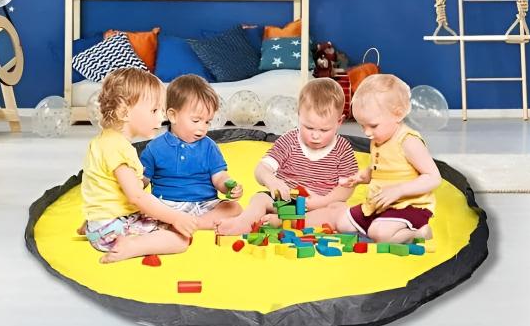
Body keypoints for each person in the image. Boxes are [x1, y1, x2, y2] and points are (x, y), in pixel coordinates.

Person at [81, 68, 197, 264]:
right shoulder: (118, 148)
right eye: (154, 110)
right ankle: (130, 246)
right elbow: (136, 197)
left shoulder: (104, 141)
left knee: (163, 216)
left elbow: (101, 188)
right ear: (124, 112)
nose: (161, 118)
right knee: (180, 239)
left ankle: (91, 228)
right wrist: (175, 217)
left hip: (100, 224)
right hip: (112, 228)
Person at [216, 77, 358, 235]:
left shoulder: (343, 149)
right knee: (259, 199)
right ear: (299, 115)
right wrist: (271, 181)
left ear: (339, 122)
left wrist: (322, 201)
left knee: (340, 210)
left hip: (320, 206)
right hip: (285, 202)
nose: (315, 136)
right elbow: (261, 169)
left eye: (324, 130)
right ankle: (243, 222)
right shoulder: (289, 140)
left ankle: (284, 223)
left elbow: (347, 188)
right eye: (308, 127)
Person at [332, 73, 441, 244]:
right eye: (362, 126)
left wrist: (399, 190)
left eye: (373, 125)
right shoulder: (378, 138)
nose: (367, 133)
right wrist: (360, 177)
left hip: (409, 206)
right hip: (379, 204)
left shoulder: (408, 141)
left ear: (398, 114)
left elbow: (433, 177)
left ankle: (419, 233)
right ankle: (380, 226)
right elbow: (379, 168)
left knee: (380, 234)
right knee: (342, 223)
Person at [140, 74, 243, 230]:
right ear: (173, 116)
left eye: (207, 122)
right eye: (196, 120)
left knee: (234, 208)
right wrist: (132, 182)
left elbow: (219, 176)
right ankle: (178, 221)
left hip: (205, 204)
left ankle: (195, 223)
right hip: (168, 206)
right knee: (145, 207)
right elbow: (142, 181)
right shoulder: (154, 148)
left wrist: (228, 187)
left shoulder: (209, 146)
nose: (202, 128)